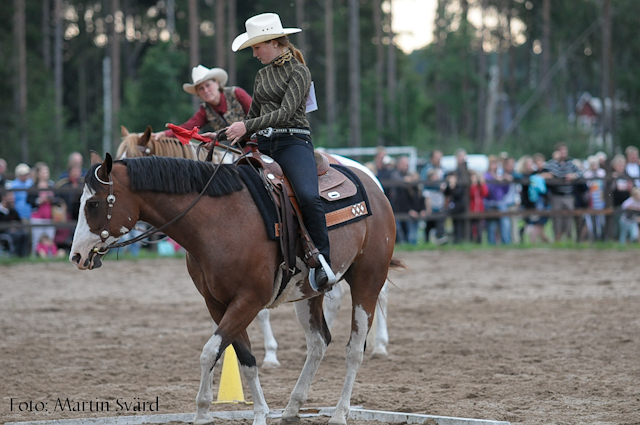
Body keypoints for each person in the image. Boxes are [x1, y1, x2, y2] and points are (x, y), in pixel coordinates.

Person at [225, 12, 336, 290]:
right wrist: (221, 135)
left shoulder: (299, 70)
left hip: (293, 143)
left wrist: (246, 125)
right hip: (264, 143)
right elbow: (253, 115)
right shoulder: (262, 75)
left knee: (309, 196)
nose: (254, 54)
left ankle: (323, 260)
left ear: (274, 42)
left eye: (257, 47)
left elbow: (287, 112)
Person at [151, 65, 252, 141]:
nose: (206, 90)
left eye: (208, 85)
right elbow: (188, 128)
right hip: (234, 149)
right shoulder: (205, 110)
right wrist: (165, 134)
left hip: (258, 141)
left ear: (217, 83)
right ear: (198, 93)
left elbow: (257, 115)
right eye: (201, 88)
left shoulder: (237, 94)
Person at [540, 142, 582, 242]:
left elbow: (581, 172)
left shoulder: (570, 163)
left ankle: (567, 238)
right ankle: (557, 238)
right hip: (556, 196)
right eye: (561, 151)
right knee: (557, 218)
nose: (564, 153)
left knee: (569, 217)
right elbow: (555, 174)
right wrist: (557, 162)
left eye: (565, 151)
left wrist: (574, 175)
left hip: (568, 195)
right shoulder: (551, 163)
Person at [27, 162, 63, 256]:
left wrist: (52, 200)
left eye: (47, 171)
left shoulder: (51, 186)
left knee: (50, 239)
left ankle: (50, 257)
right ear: (38, 173)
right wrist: (39, 201)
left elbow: (58, 200)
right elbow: (28, 200)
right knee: (37, 239)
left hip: (49, 217)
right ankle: (35, 256)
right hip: (37, 217)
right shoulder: (33, 186)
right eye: (43, 171)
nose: (46, 173)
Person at [388, 156, 425, 244]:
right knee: (398, 228)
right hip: (396, 207)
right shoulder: (395, 174)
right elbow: (398, 181)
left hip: (405, 207)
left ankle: (406, 244)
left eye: (407, 164)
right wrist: (406, 180)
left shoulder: (407, 175)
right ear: (399, 164)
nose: (406, 166)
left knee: (406, 229)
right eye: (404, 164)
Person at [483, 156, 511, 245]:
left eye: (496, 164)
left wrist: (506, 182)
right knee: (492, 225)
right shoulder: (486, 176)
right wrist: (496, 180)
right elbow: (487, 191)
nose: (494, 166)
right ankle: (491, 244)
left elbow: (505, 191)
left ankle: (506, 243)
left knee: (505, 224)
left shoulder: (500, 176)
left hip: (500, 202)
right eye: (493, 164)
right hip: (490, 203)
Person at [0, 191, 29, 257]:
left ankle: (24, 256)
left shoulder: (13, 211)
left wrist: (16, 226)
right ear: (4, 198)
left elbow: (20, 222)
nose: (12, 199)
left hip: (15, 232)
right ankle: (14, 256)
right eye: (10, 197)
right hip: (3, 233)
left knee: (24, 234)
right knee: (15, 236)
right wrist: (9, 227)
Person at [422, 168, 447, 244]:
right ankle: (426, 241)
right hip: (432, 208)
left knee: (440, 223)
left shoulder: (440, 185)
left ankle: (440, 238)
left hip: (439, 207)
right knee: (429, 225)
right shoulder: (427, 187)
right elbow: (427, 198)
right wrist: (428, 209)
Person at [468, 170, 488, 243]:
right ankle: (471, 241)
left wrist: (482, 183)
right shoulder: (470, 186)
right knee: (471, 227)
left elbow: (485, 193)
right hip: (472, 209)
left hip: (479, 209)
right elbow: (471, 194)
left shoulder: (479, 186)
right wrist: (473, 184)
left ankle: (479, 241)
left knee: (479, 227)